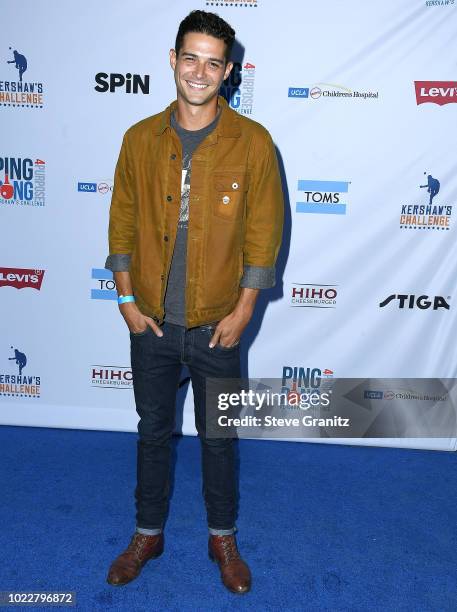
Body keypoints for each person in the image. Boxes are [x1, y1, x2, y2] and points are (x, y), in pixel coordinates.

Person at [104, 10, 284, 594]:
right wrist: (128, 303)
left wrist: (243, 311)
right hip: (150, 324)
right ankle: (147, 533)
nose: (199, 72)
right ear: (173, 61)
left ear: (228, 71)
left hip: (216, 329)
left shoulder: (253, 143)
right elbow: (122, 224)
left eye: (213, 62)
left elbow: (264, 234)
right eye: (190, 58)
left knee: (220, 438)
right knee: (153, 432)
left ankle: (222, 537)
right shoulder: (138, 139)